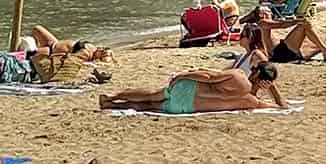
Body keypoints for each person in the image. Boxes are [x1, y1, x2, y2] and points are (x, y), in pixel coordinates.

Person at [99, 62, 286, 113]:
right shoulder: (251, 101)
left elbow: (209, 77)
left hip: (188, 90)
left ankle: (111, 97)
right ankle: (112, 106)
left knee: (152, 94)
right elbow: (282, 107)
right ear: (265, 83)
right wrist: (273, 89)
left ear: (255, 72)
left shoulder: (239, 77)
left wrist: (182, 75)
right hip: (185, 107)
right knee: (148, 106)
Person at [29, 25, 112, 62]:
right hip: (55, 42)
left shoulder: (86, 54)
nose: (101, 49)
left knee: (25, 55)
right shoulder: (93, 48)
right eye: (104, 48)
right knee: (36, 28)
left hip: (51, 51)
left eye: (102, 51)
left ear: (99, 57)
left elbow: (69, 58)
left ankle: (34, 55)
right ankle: (35, 47)